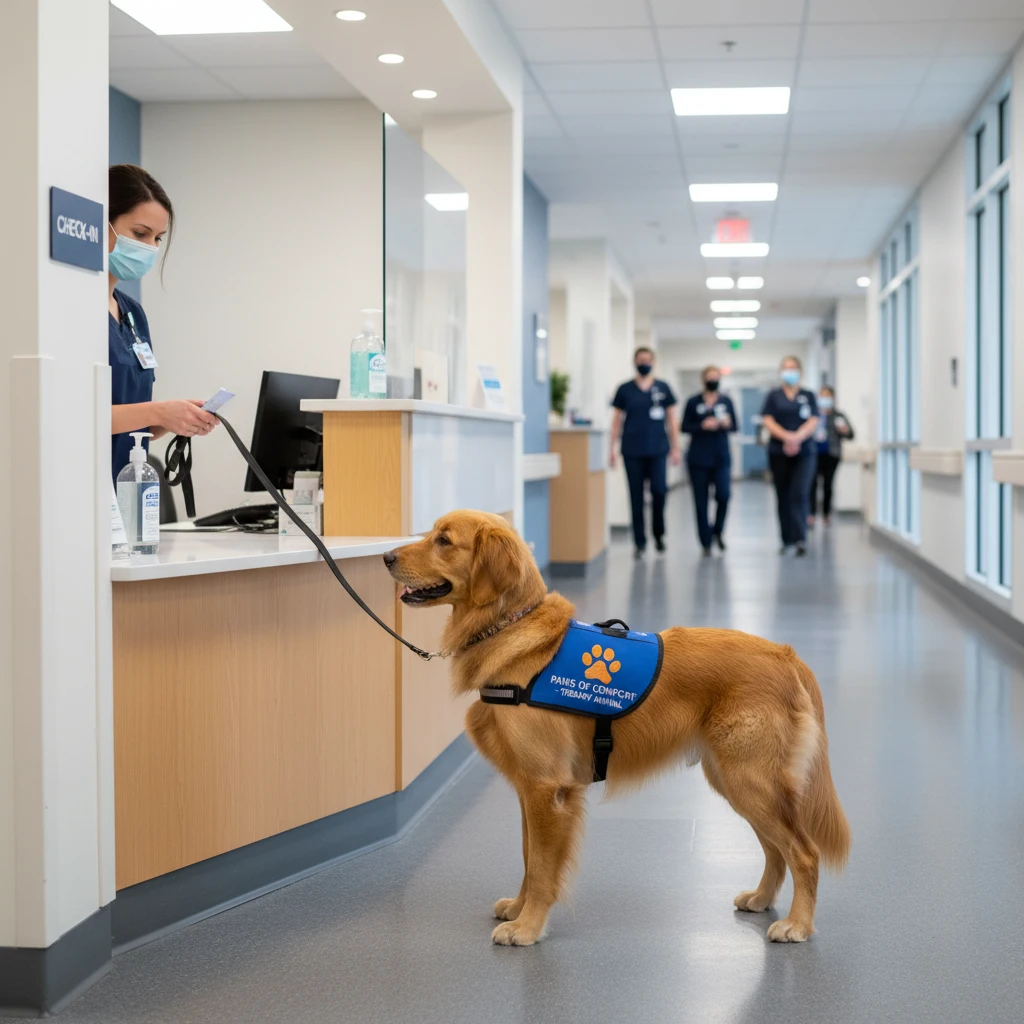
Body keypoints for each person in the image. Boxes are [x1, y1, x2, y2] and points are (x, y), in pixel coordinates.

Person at [108, 163, 218, 484]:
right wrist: (157, 412)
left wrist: (173, 420)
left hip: (126, 484)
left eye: (158, 238)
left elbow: (130, 420)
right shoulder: (74, 312)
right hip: (82, 488)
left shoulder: (133, 314)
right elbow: (75, 414)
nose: (151, 248)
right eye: (140, 234)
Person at [610, 348, 681, 558]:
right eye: (641, 360)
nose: (644, 363)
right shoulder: (624, 389)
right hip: (632, 450)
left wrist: (676, 448)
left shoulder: (663, 387)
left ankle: (658, 534)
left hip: (658, 449)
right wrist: (611, 450)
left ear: (654, 362)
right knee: (636, 496)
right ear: (635, 362)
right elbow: (616, 422)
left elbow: (672, 420)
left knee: (659, 491)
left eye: (648, 360)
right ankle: (639, 542)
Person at [760, 356, 819, 556]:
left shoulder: (808, 395)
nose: (789, 372)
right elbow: (767, 420)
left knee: (800, 493)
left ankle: (800, 538)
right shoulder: (773, 396)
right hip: (778, 451)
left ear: (800, 371)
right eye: (786, 368)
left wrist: (797, 438)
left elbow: (813, 420)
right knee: (783, 495)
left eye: (793, 368)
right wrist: (786, 437)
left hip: (805, 452)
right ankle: (786, 540)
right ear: (781, 371)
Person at [681, 365, 737, 556]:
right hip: (698, 457)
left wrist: (726, 424)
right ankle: (705, 542)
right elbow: (684, 426)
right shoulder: (693, 401)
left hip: (721, 456)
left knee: (724, 495)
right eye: (709, 377)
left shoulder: (726, 401)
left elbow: (735, 426)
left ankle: (717, 531)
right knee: (701, 501)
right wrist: (702, 425)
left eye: (716, 377)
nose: (713, 380)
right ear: (703, 379)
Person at [809, 386, 855, 527]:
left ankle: (826, 515)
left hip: (832, 454)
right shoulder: (813, 415)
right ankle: (811, 515)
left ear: (832, 398)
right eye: (822, 395)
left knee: (828, 485)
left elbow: (851, 435)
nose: (824, 399)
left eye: (827, 396)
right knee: (812, 484)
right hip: (814, 454)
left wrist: (844, 430)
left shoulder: (838, 416)